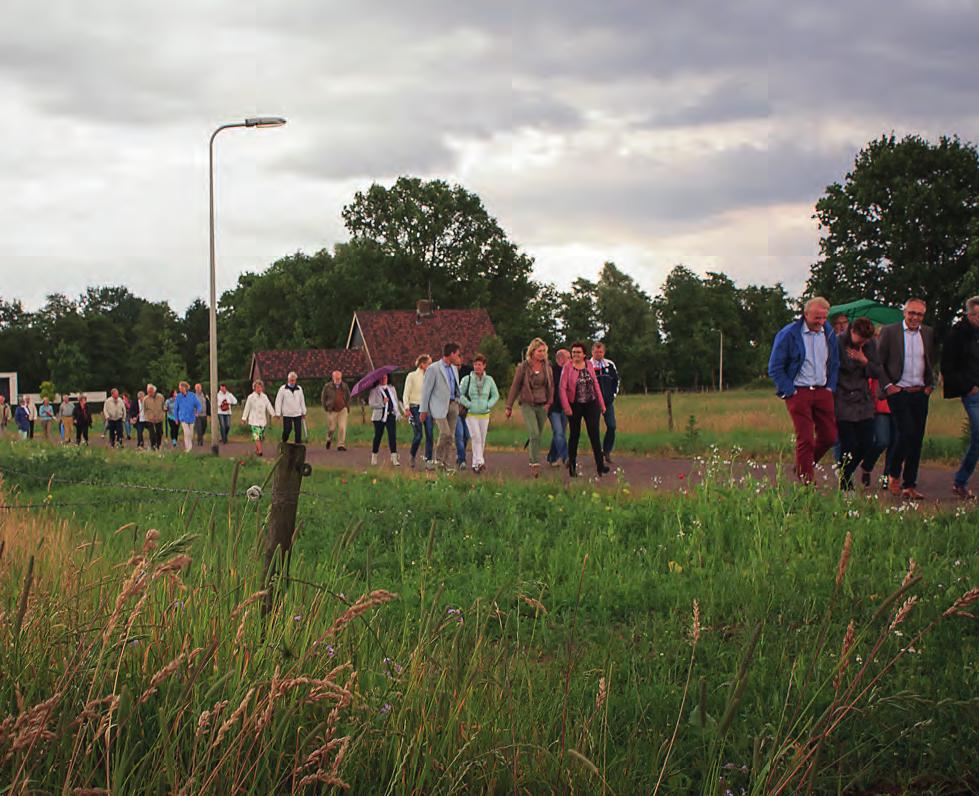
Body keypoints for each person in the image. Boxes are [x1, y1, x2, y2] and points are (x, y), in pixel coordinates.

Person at [767, 297, 840, 484]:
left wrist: (830, 387)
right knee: (806, 438)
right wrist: (789, 391)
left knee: (830, 436)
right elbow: (775, 367)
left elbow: (834, 362)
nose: (821, 322)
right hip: (799, 391)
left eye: (824, 318)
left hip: (823, 391)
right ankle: (806, 482)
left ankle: (803, 465)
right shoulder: (789, 334)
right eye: (817, 318)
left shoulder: (829, 333)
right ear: (806, 314)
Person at [877, 298, 936, 500]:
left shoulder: (927, 333)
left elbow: (929, 360)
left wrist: (930, 385)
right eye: (911, 313)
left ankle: (909, 484)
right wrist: (888, 386)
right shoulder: (890, 332)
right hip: (898, 390)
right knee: (906, 431)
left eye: (919, 314)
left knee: (917, 438)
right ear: (904, 312)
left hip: (920, 391)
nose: (914, 318)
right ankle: (893, 473)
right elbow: (878, 362)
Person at [834, 317, 881, 490]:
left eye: (867, 340)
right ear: (852, 332)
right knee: (849, 444)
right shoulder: (837, 342)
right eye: (861, 339)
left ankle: (845, 471)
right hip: (842, 398)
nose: (864, 342)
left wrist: (864, 360)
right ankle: (846, 484)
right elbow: (833, 368)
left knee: (868, 441)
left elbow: (877, 371)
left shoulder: (870, 345)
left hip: (863, 400)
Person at [941, 295, 979, 500]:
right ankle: (960, 481)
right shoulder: (957, 335)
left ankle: (961, 481)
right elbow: (948, 367)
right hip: (972, 392)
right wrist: (968, 387)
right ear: (970, 314)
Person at [505, 338, 554, 478]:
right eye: (540, 351)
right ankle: (534, 463)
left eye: (544, 351)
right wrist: (508, 406)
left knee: (537, 435)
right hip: (528, 403)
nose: (542, 354)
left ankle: (533, 453)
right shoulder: (523, 367)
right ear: (532, 352)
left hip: (543, 403)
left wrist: (549, 402)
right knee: (534, 433)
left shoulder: (547, 366)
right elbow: (515, 386)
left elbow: (551, 386)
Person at [560, 342, 608, 477]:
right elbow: (562, 389)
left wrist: (602, 404)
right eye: (574, 352)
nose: (576, 354)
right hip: (574, 404)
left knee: (594, 434)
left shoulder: (589, 365)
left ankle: (600, 466)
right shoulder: (567, 367)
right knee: (574, 435)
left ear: (584, 354)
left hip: (591, 403)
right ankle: (572, 467)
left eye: (578, 352)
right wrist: (566, 407)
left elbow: (596, 384)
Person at [420, 342, 463, 472]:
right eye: (457, 354)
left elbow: (455, 386)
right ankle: (438, 460)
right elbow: (426, 390)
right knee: (445, 433)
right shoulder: (434, 369)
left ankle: (447, 464)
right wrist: (423, 409)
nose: (459, 357)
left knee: (451, 436)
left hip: (452, 404)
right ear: (451, 354)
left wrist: (458, 401)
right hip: (439, 406)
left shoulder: (454, 369)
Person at [459, 353, 500, 474]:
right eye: (475, 364)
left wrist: (488, 404)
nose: (477, 367)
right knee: (475, 437)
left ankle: (476, 464)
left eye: (480, 365)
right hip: (471, 413)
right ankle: (480, 461)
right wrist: (468, 404)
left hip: (484, 413)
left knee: (482, 439)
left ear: (484, 366)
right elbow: (459, 394)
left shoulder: (489, 380)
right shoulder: (467, 379)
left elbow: (495, 395)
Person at [859, 374, 896, 490]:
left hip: (899, 400)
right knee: (882, 441)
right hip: (881, 402)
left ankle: (887, 477)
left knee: (895, 443)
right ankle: (867, 466)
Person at [590, 342, 620, 466]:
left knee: (612, 426)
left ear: (604, 352)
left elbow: (616, 381)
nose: (599, 354)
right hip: (593, 403)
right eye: (596, 352)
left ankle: (606, 451)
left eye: (601, 352)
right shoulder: (588, 365)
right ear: (592, 352)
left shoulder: (610, 364)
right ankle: (597, 454)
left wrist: (613, 395)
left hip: (607, 402)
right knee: (594, 429)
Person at [403, 355, 434, 468]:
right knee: (419, 434)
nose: (431, 366)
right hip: (415, 407)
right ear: (422, 364)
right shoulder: (412, 376)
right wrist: (406, 408)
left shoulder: (430, 377)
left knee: (430, 433)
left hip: (427, 408)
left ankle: (428, 460)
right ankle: (412, 455)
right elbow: (406, 392)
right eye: (429, 364)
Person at [368, 373, 402, 466]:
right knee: (378, 436)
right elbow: (371, 404)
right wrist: (382, 403)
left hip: (390, 415)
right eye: (381, 378)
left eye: (385, 377)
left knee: (392, 436)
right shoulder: (374, 390)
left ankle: (394, 457)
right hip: (379, 417)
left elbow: (395, 401)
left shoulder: (392, 389)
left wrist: (398, 412)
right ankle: (374, 456)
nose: (383, 379)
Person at [546, 349, 571, 468]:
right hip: (553, 408)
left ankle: (552, 457)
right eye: (568, 357)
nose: (570, 360)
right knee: (559, 432)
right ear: (561, 359)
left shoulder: (569, 371)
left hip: (564, 407)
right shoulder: (551, 371)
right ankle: (566, 457)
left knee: (559, 433)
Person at [241, 379, 277, 456]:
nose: (259, 389)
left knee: (259, 437)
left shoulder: (264, 397)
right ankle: (260, 451)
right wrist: (244, 418)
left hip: (262, 420)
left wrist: (273, 414)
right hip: (254, 420)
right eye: (257, 387)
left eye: (260, 387)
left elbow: (269, 406)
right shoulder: (251, 397)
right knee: (256, 436)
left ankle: (257, 450)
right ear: (254, 388)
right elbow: (247, 408)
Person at [320, 371, 351, 451]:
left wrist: (347, 406)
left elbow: (348, 396)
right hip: (332, 410)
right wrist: (326, 407)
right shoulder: (327, 386)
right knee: (332, 428)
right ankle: (328, 439)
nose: (338, 380)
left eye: (339, 378)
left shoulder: (344, 386)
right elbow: (323, 398)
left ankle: (341, 444)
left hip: (342, 409)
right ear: (333, 378)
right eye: (336, 378)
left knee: (342, 427)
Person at [275, 372, 307, 444]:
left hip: (297, 413)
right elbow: (278, 401)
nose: (292, 382)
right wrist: (278, 413)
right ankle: (283, 441)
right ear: (288, 380)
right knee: (287, 429)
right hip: (287, 413)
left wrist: (304, 412)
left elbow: (302, 401)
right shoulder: (282, 389)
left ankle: (298, 445)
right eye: (291, 380)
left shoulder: (299, 389)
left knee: (298, 431)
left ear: (296, 380)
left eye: (294, 380)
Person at [173, 381, 201, 453]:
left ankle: (189, 447)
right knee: (187, 432)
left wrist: (198, 412)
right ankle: (187, 448)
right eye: (179, 388)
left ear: (185, 388)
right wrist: (176, 418)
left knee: (191, 434)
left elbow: (198, 405)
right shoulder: (178, 397)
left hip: (191, 417)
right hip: (182, 417)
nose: (180, 389)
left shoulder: (192, 395)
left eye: (181, 388)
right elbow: (176, 408)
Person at [455, 360, 473, 470]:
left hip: (466, 409)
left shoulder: (468, 372)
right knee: (459, 434)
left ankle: (459, 453)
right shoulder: (449, 375)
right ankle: (462, 460)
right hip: (455, 409)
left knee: (467, 435)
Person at [143, 384, 166, 451]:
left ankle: (158, 445)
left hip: (159, 418)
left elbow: (163, 406)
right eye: (148, 392)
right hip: (150, 419)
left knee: (159, 433)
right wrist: (147, 417)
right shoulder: (145, 399)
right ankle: (153, 446)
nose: (149, 393)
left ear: (154, 391)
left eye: (151, 392)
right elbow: (144, 410)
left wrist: (164, 411)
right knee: (152, 433)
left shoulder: (160, 397)